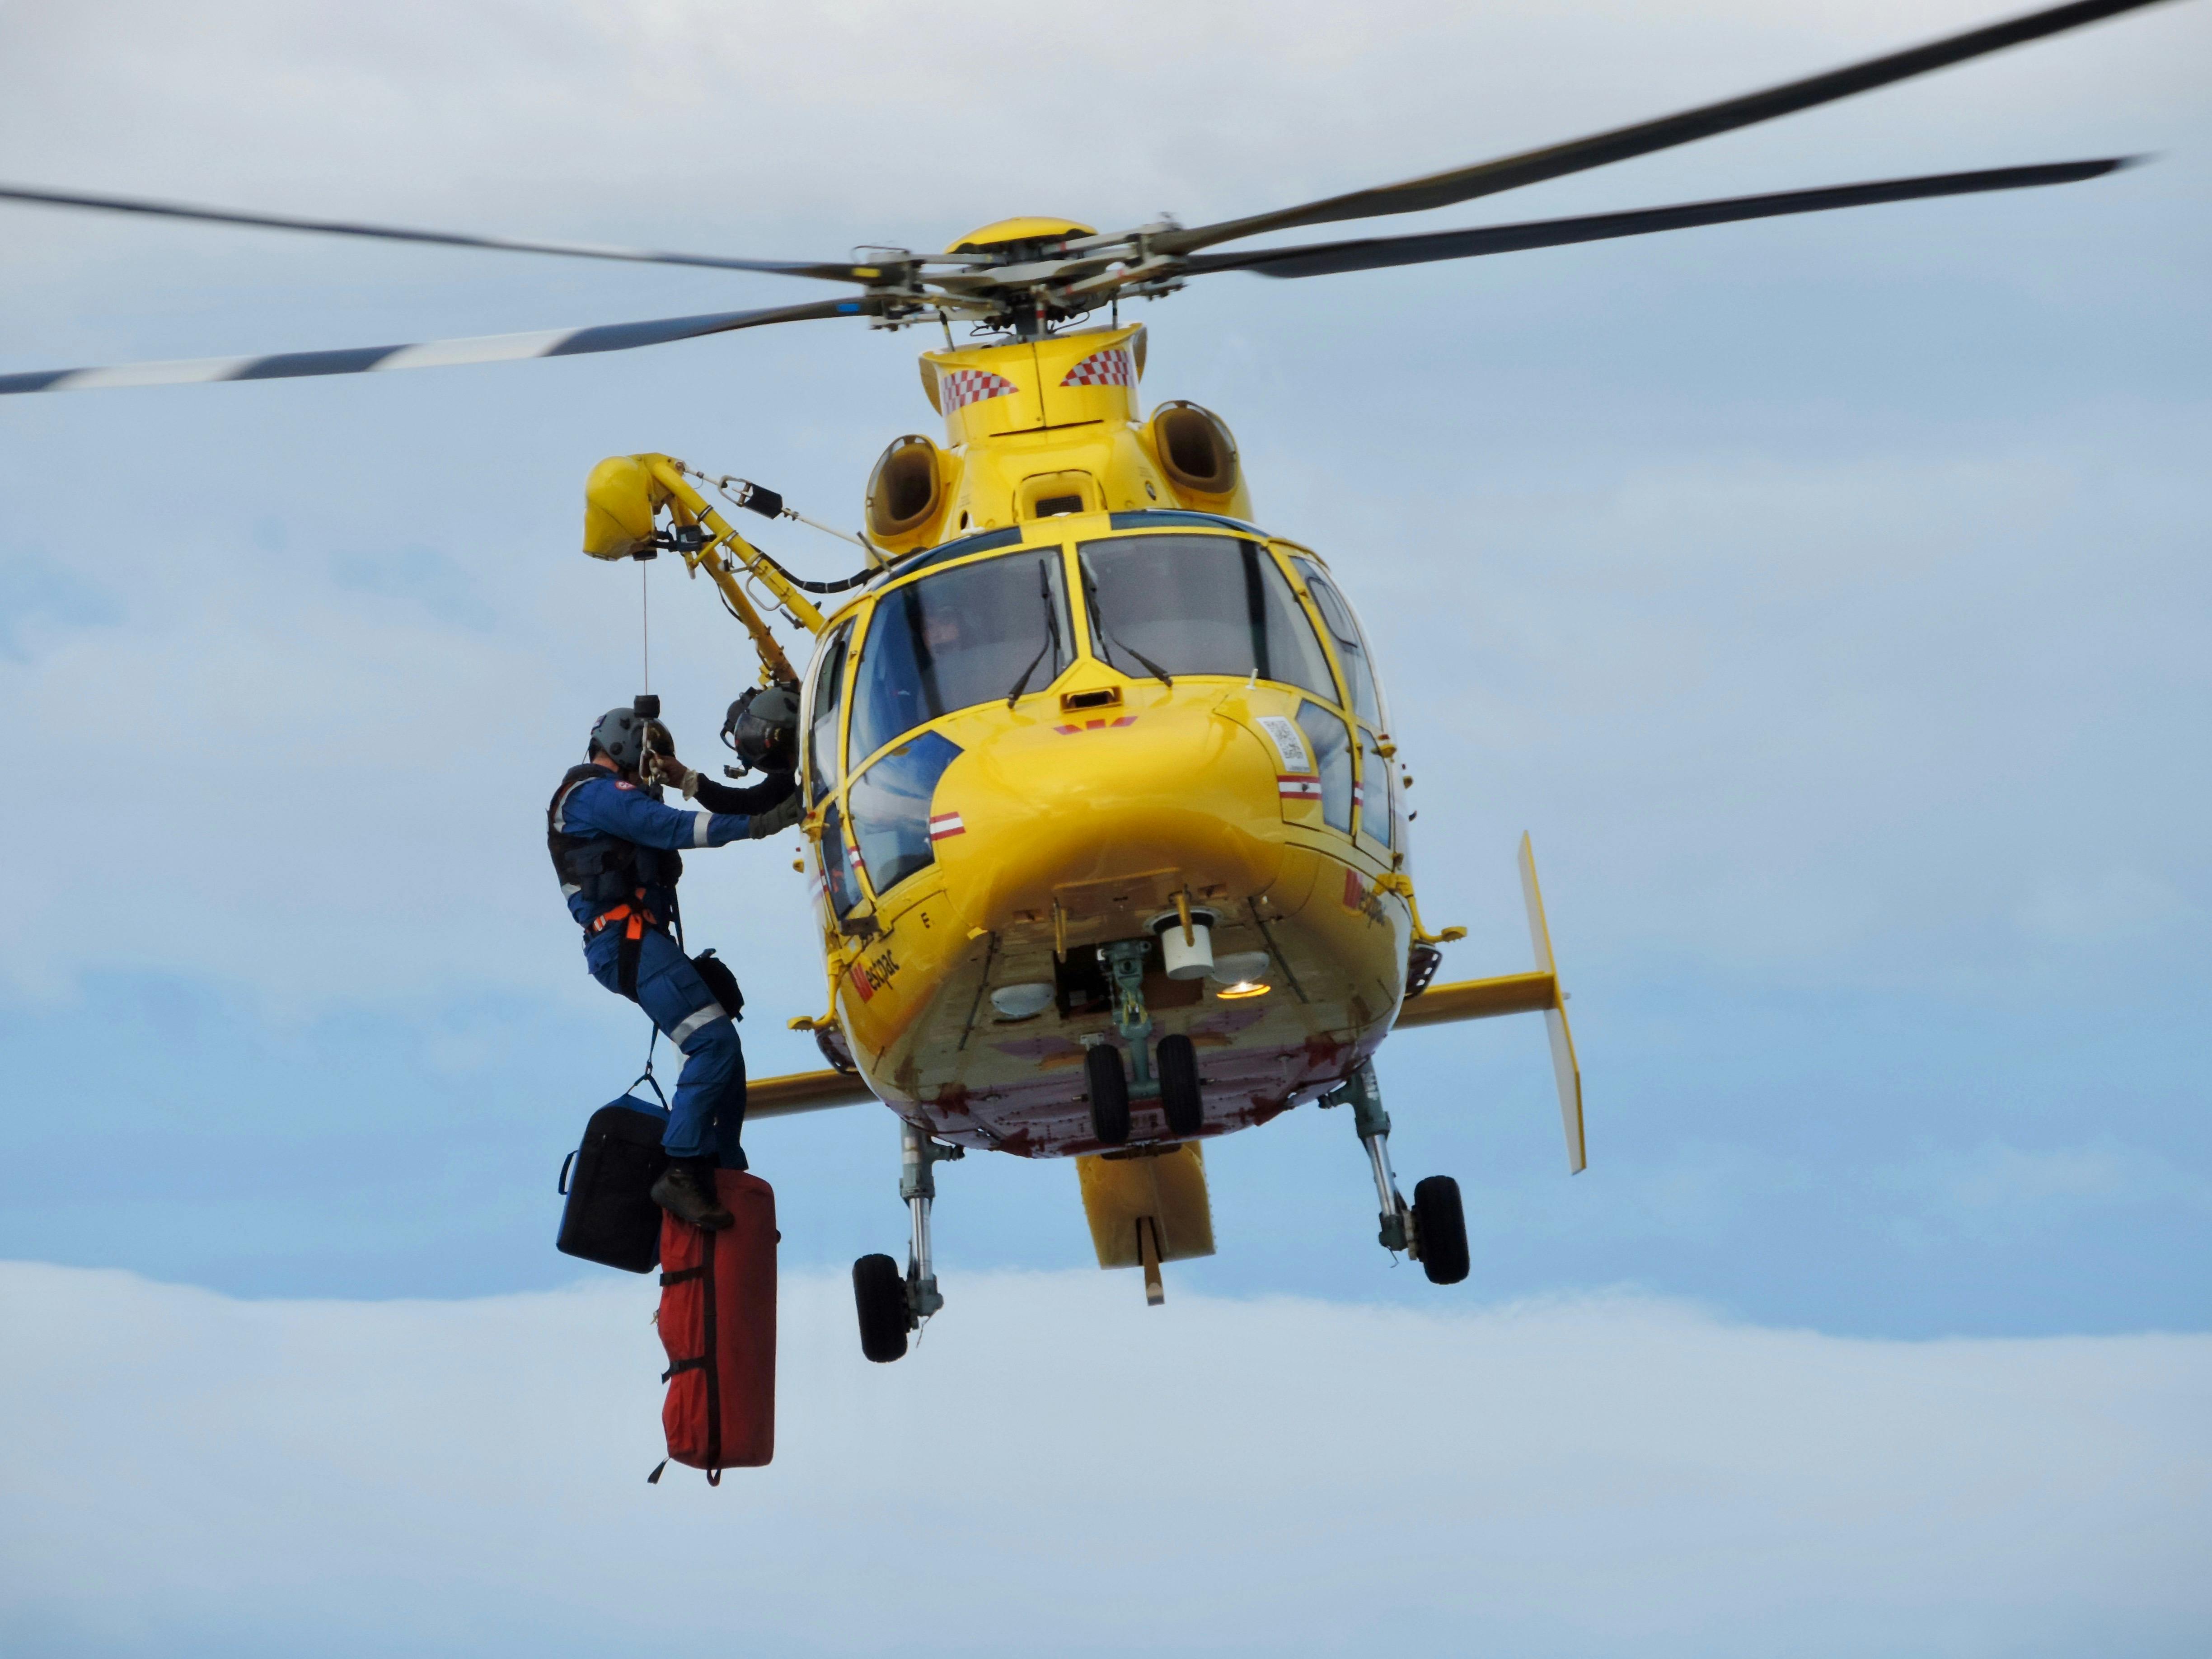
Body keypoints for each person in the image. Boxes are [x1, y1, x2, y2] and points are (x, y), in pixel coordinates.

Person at [548, 703, 801, 1229]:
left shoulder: (607, 799)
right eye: (648, 761)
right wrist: (757, 827)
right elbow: (665, 826)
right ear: (620, 746)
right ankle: (683, 1169)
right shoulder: (593, 793)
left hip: (640, 942)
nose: (652, 775)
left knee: (725, 1055)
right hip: (627, 941)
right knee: (711, 1044)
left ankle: (723, 1168)